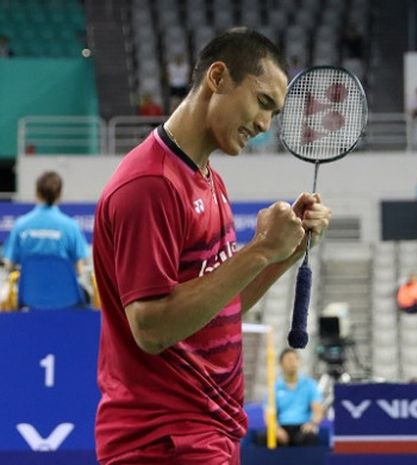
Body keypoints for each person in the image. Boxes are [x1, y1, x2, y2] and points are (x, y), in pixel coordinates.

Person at [92, 28, 332, 465]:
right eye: (262, 103)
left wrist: (284, 253)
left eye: (274, 115)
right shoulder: (151, 184)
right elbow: (150, 329)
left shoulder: (207, 179)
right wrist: (258, 248)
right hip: (164, 440)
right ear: (218, 78)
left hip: (206, 432)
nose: (264, 125)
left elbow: (220, 306)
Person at [4, 171, 88, 276]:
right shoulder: (71, 227)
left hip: (29, 291)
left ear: (37, 192)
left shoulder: (20, 225)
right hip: (62, 291)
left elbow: (9, 265)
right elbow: (79, 270)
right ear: (60, 194)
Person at [273, 348, 324, 446]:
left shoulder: (310, 384)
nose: (293, 363)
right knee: (264, 439)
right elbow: (270, 414)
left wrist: (312, 424)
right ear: (281, 364)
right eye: (289, 360)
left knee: (310, 438)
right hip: (282, 427)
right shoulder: (275, 387)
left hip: (303, 427)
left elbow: (318, 410)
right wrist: (277, 429)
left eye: (295, 359)